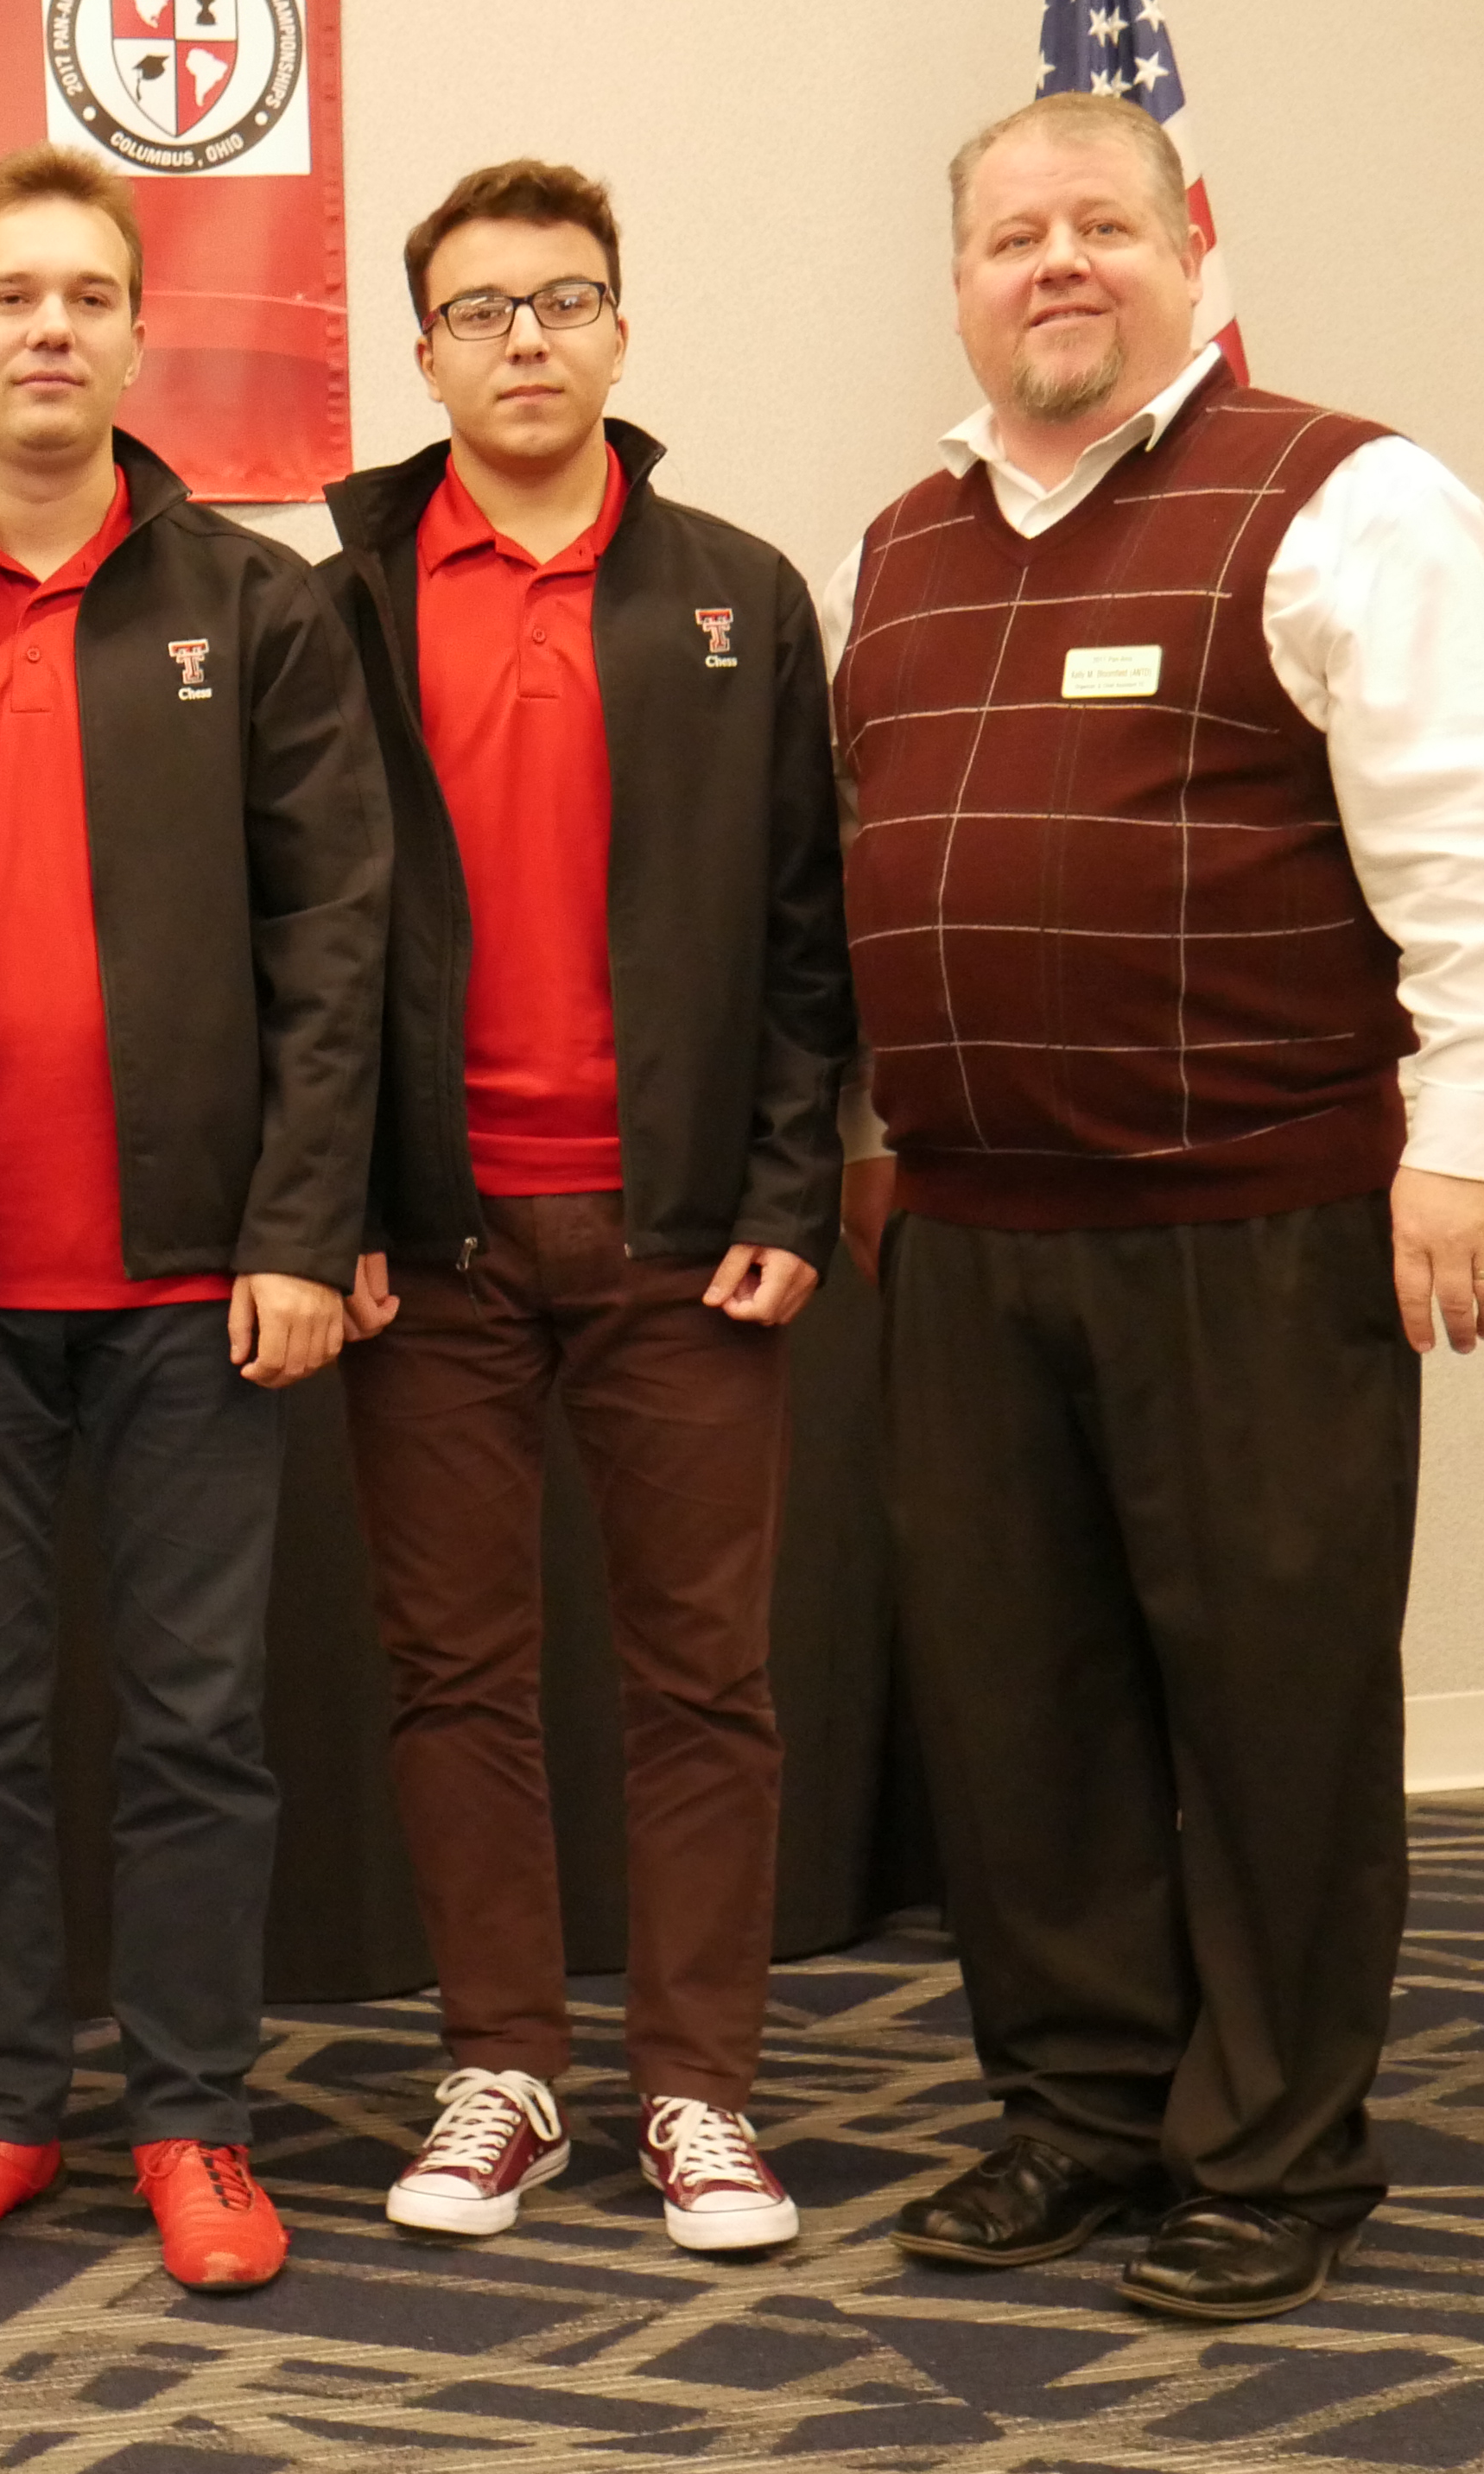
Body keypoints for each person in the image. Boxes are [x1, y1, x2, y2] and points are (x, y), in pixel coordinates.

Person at [834, 92, 1484, 2322]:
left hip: (1255, 1226)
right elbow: (878, 873)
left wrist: (1479, 1127)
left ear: (1190, 247)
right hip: (971, 1234)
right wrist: (872, 1136)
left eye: (1100, 225)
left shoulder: (1347, 498)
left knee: (1272, 1705)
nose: (1055, 264)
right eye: (1011, 236)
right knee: (1018, 1709)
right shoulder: (901, 543)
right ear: (957, 281)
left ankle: (1270, 2151)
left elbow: (1476, 829)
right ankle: (1080, 2110)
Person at [0, 143, 390, 2294]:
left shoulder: (259, 608)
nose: (47, 326)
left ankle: (194, 2116)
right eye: (6, 293)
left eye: (85, 293)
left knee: (199, 1721)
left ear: (132, 336)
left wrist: (298, 1226)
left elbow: (335, 942)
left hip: (200, 1285)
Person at [317, 160, 851, 2255]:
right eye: (480, 308)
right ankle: (505, 2069)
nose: (524, 337)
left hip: (682, 1230)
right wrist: (331, 1206)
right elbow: (298, 938)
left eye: (562, 299)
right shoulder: (337, 604)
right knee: (452, 1673)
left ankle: (699, 2088)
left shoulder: (738, 593)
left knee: (702, 1674)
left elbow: (805, 921)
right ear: (422, 351)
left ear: (620, 330)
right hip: (428, 1242)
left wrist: (791, 1176)